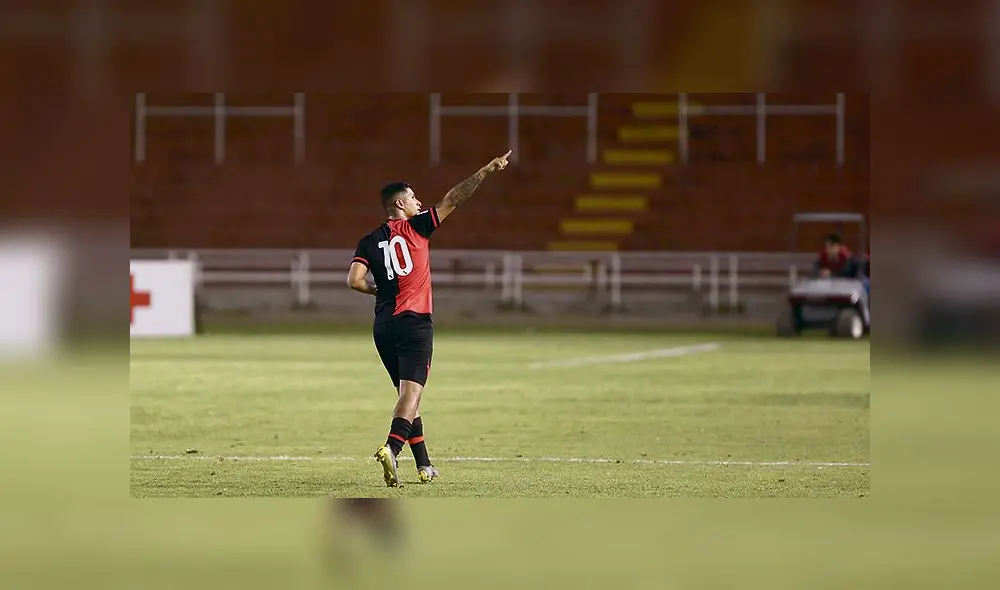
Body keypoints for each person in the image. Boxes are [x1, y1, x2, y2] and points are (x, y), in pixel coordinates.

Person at [346, 150, 513, 488]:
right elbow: (454, 198)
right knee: (411, 393)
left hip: (383, 326)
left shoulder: (369, 241)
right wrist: (484, 171)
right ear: (400, 205)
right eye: (413, 198)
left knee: (407, 395)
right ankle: (392, 449)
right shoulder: (418, 226)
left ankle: (424, 464)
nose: (419, 202)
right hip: (414, 321)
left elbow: (354, 280)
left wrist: (379, 291)